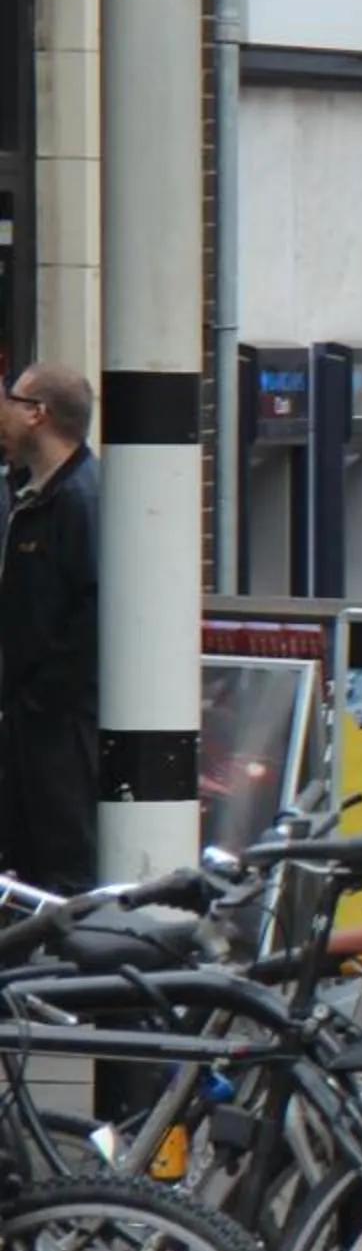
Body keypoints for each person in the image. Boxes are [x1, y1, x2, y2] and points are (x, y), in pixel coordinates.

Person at [0, 361, 100, 890]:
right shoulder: (31, 496)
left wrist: (38, 700)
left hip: (60, 729)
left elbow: (94, 613)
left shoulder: (81, 501)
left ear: (37, 414)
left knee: (64, 867)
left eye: (9, 399)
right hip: (34, 723)